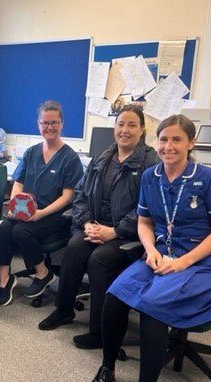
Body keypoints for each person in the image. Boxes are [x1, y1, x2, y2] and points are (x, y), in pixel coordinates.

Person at [87, 114, 211, 382]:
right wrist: (151, 250)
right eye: (164, 139)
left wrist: (184, 261)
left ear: (191, 143)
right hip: (159, 256)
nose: (169, 146)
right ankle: (108, 367)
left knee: (153, 306)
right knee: (115, 296)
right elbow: (144, 222)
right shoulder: (151, 176)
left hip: (199, 264)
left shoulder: (207, 179)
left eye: (177, 139)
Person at [38, 105, 158, 349]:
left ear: (142, 130)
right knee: (74, 247)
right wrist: (86, 223)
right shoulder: (103, 158)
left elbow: (148, 209)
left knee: (99, 260)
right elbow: (80, 194)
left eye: (131, 125)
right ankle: (64, 310)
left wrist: (113, 231)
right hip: (95, 226)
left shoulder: (150, 162)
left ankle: (100, 332)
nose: (124, 130)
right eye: (120, 124)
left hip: (128, 235)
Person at [0, 100, 83, 306]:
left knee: (20, 231)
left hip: (55, 216)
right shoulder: (31, 153)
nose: (49, 127)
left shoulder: (70, 158)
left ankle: (43, 274)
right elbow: (18, 183)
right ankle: (4, 281)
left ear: (62, 124)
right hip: (29, 213)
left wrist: (41, 213)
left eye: (54, 122)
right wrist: (16, 206)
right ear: (38, 125)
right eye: (45, 123)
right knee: (6, 227)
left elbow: (68, 197)